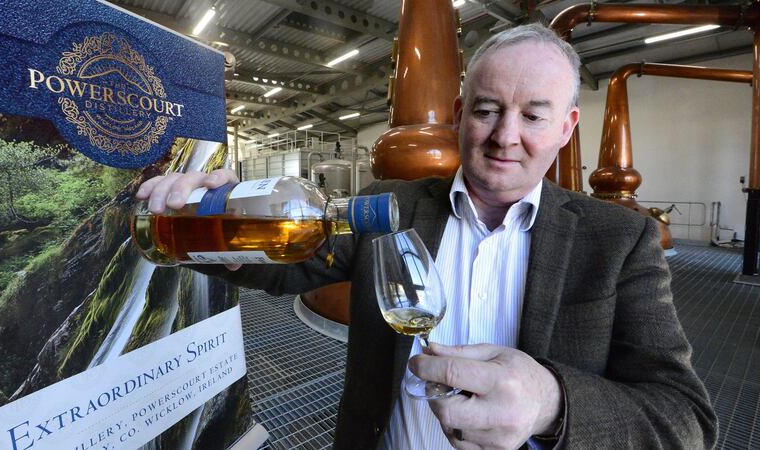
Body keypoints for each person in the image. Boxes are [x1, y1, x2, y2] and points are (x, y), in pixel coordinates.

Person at [137, 23, 716, 450]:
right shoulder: (392, 207)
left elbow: (685, 420)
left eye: (534, 116)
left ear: (566, 128)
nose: (505, 138)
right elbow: (281, 266)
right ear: (459, 114)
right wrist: (203, 221)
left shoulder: (620, 240)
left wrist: (552, 404)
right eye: (488, 110)